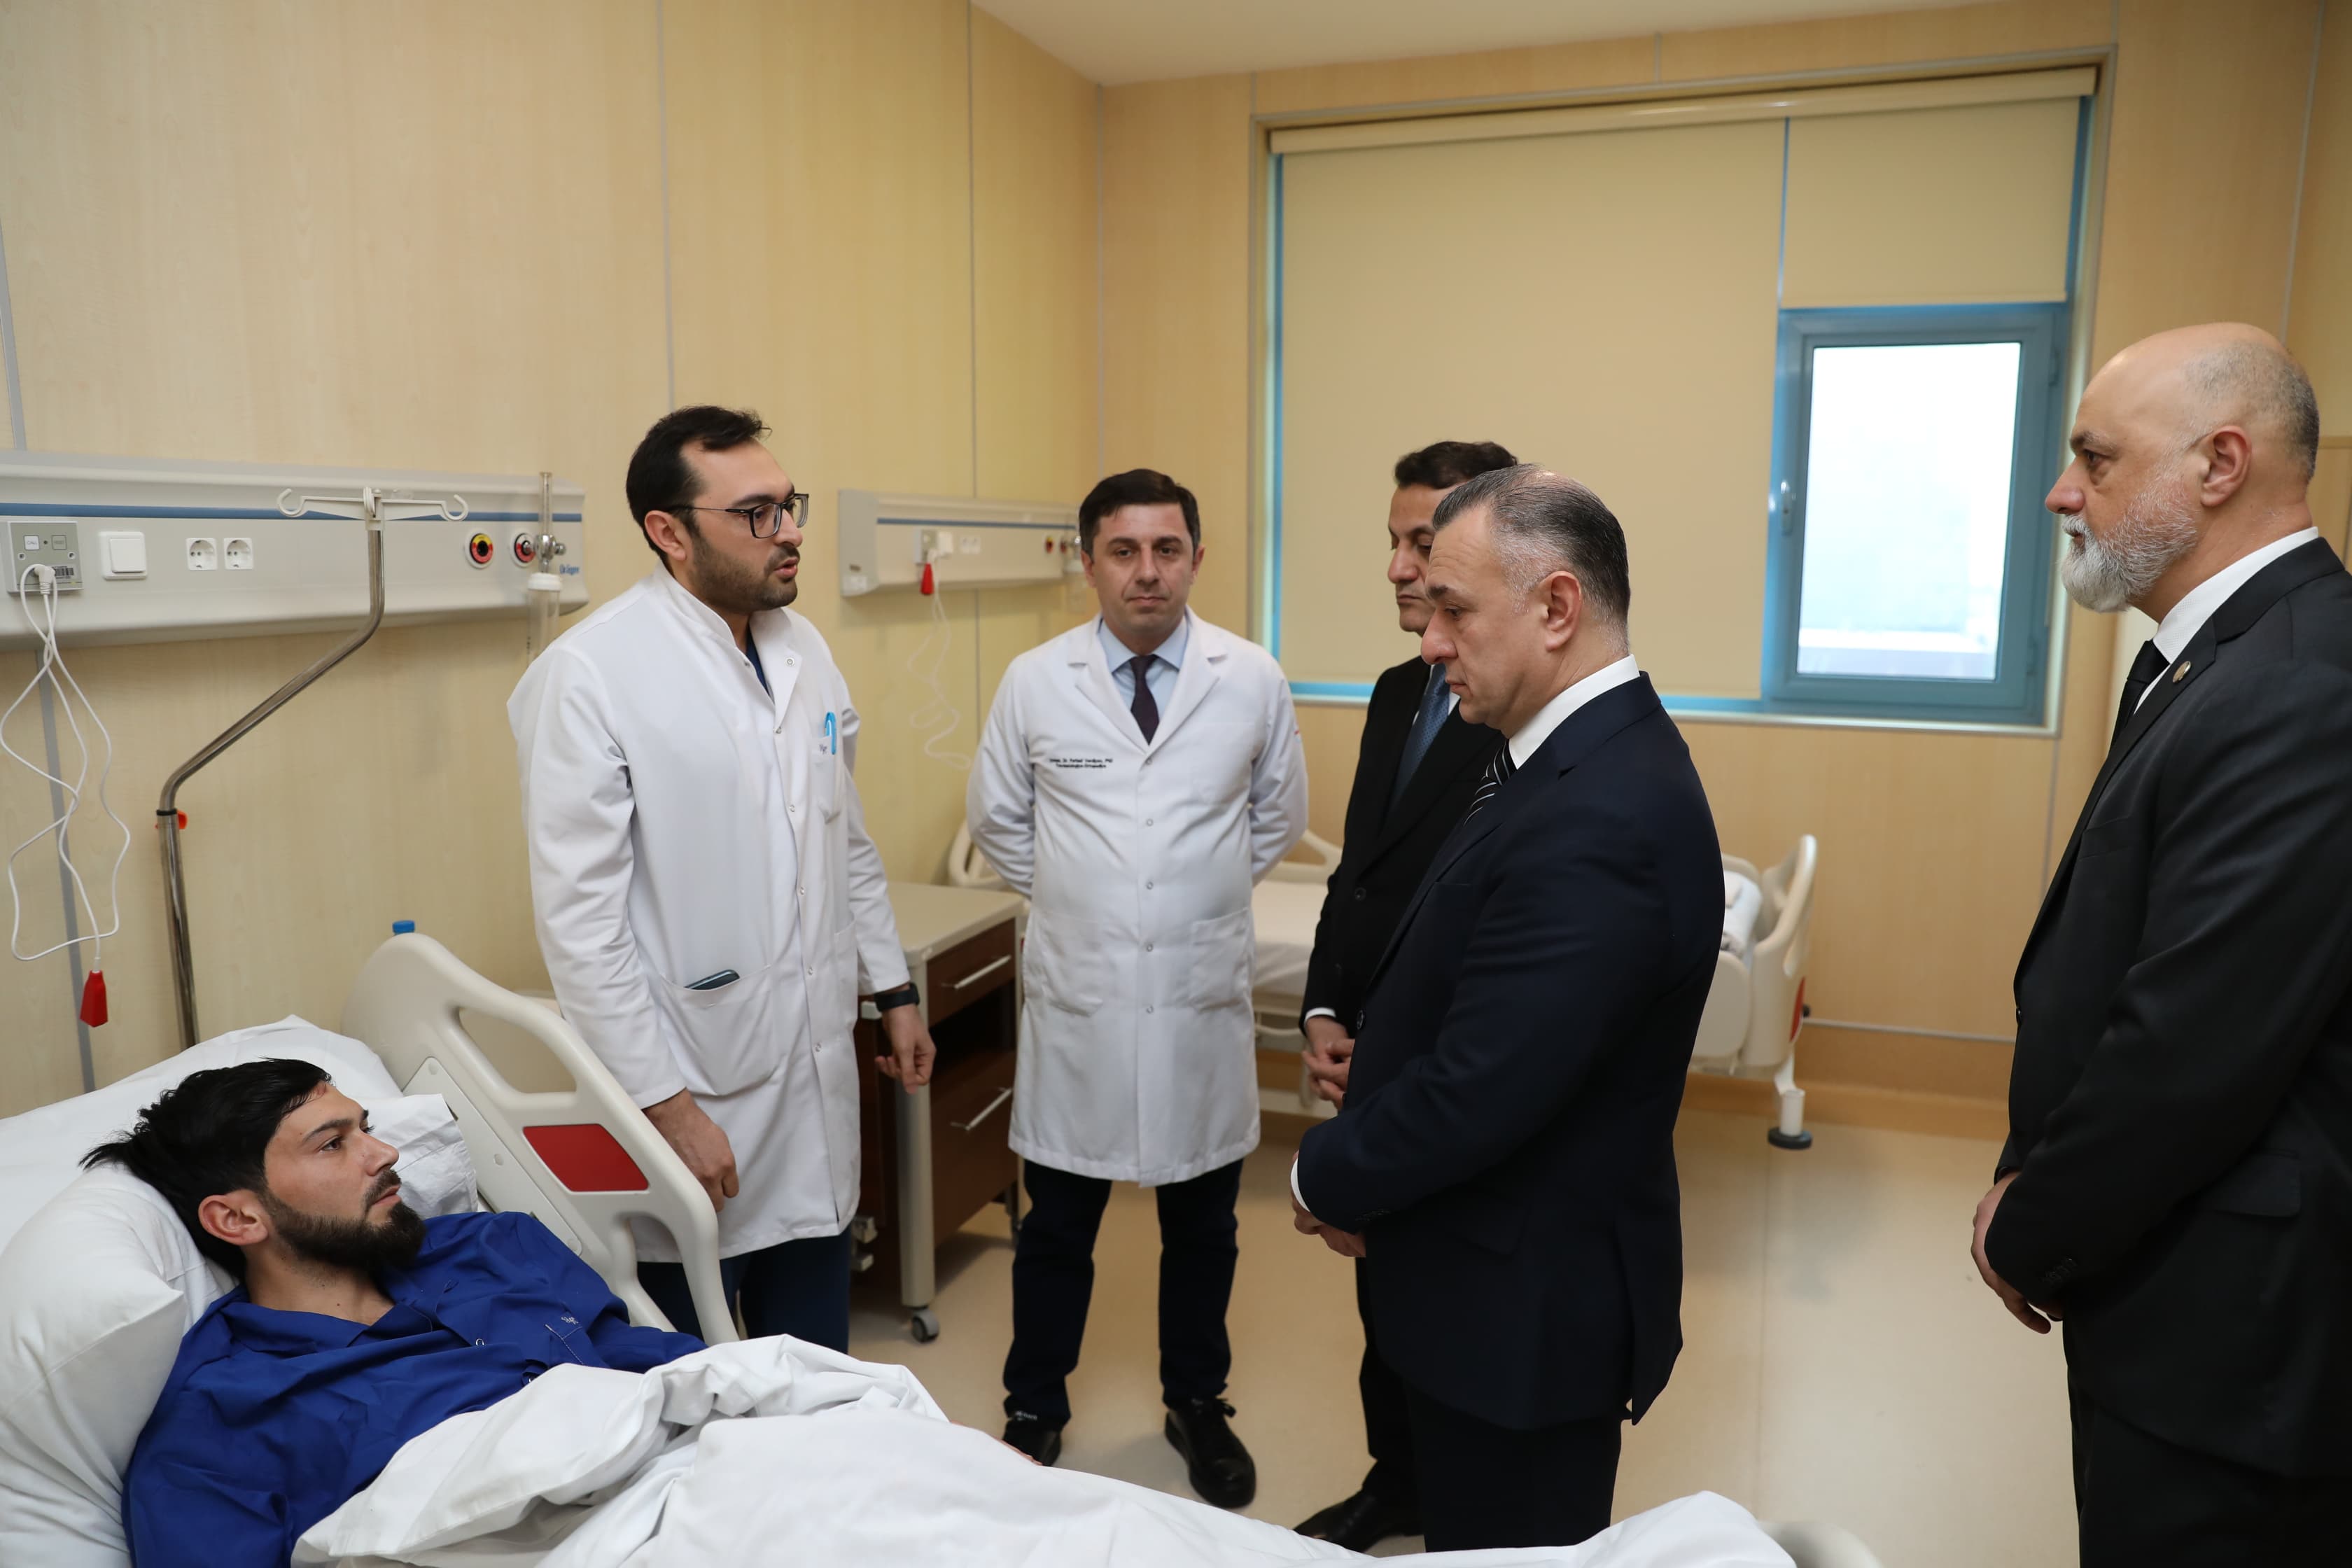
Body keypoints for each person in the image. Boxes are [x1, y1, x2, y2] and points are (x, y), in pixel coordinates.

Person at [1973, 323, 2352, 1564]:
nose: (2061, 490)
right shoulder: (2212, 659)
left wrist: (2037, 1219)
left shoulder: (2298, 684)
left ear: (2219, 465)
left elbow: (2193, 1044)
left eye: (2094, 456)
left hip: (2233, 1331)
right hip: (2169, 1272)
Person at [1289, 465, 1721, 1551]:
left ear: (1558, 608)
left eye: (1454, 610)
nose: (1430, 642)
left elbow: (1485, 1083)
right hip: (1480, 1282)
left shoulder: (1604, 813)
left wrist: (1322, 1170)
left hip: (1525, 1317)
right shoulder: (1554, 760)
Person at [509, 405, 935, 1351]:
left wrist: (892, 988)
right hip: (694, 1087)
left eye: (790, 507)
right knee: (704, 1370)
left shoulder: (805, 650)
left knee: (816, 1359)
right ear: (669, 531)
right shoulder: (590, 675)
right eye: (756, 514)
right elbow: (582, 925)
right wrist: (666, 1107)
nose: (788, 533)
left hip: (814, 1075)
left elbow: (845, 838)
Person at [967, 468, 1308, 1506]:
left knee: (1203, 1228)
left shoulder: (1250, 677)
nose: (1147, 571)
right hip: (1082, 1003)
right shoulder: (1035, 680)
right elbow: (999, 823)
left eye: (1167, 549)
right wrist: (1099, 901)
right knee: (1057, 1228)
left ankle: (1197, 1403)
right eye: (1124, 550)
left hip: (1198, 1001)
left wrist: (1179, 903)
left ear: (1197, 559)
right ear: (1090, 563)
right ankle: (1035, 1409)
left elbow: (1277, 817)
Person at [99, 1059, 704, 1568]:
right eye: (333, 1144)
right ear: (238, 1219)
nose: (385, 1153)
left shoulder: (494, 1247)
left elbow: (657, 1369)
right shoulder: (220, 1422)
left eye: (368, 1128)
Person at [1291, 438, 1516, 1552]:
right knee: (1382, 1296)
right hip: (1369, 1057)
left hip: (1441, 1068)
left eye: (1421, 542)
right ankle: (1399, 1485)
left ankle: (1453, 1507)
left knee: (1440, 1298)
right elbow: (1361, 874)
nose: (1395, 566)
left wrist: (1393, 1049)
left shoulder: (1513, 719)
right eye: (1392, 541)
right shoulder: (1397, 693)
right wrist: (1325, 1011)